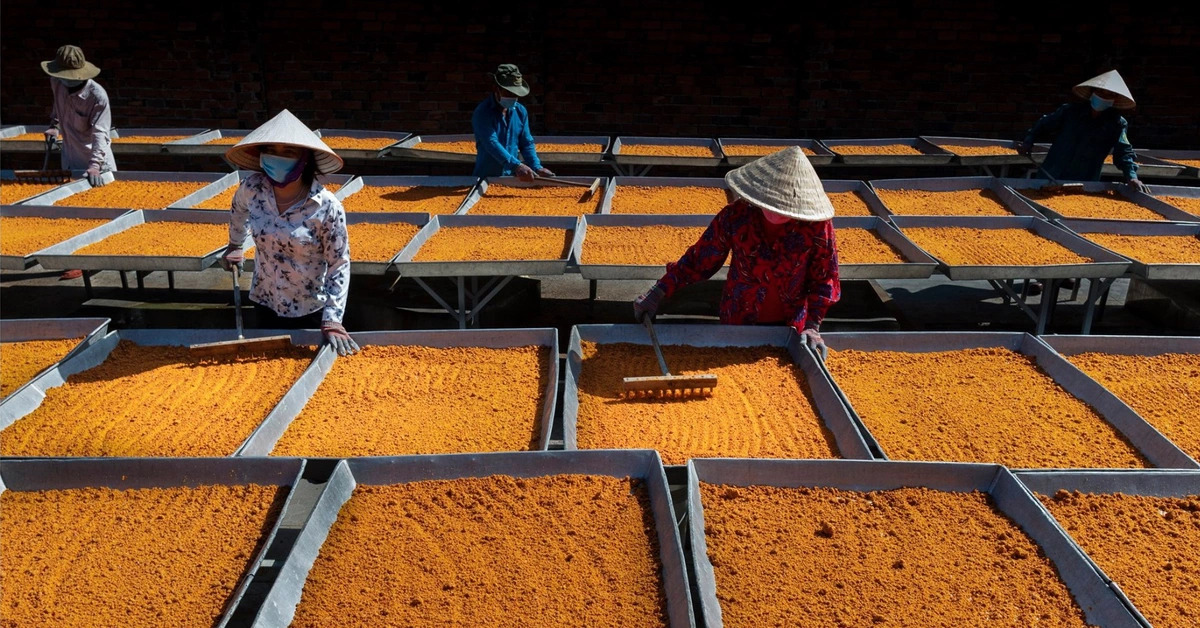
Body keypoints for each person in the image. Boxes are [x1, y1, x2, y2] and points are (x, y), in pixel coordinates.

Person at [632, 147, 840, 358]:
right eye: (770, 203)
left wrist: (813, 325)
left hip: (791, 328)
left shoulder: (817, 227)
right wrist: (658, 292)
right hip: (737, 321)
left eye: (783, 208)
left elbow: (825, 278)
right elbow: (699, 260)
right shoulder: (736, 216)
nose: (775, 213)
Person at [219, 109, 359, 356]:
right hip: (264, 299)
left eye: (288, 153)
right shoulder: (252, 189)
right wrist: (235, 244)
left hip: (309, 310)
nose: (276, 158)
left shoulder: (326, 206)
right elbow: (237, 209)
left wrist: (333, 319)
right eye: (271, 151)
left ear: (304, 160)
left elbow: (339, 263)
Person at [1020, 70, 1148, 193]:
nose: (1104, 97)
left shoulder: (1117, 123)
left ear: (1115, 100)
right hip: (1051, 173)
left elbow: (1124, 152)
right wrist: (1028, 141)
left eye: (1110, 95)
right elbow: (1043, 124)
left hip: (1085, 181)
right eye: (1101, 92)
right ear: (1092, 92)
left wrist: (1132, 177)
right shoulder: (1070, 112)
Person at [40, 45, 116, 188]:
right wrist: (55, 126)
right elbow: (59, 105)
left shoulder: (98, 97)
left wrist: (94, 166)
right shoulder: (56, 82)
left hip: (97, 165)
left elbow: (100, 133)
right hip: (70, 160)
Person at [471, 63, 555, 182]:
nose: (513, 97)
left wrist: (537, 167)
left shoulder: (520, 111)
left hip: (512, 178)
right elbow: (491, 143)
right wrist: (517, 165)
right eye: (509, 93)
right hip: (487, 178)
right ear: (496, 89)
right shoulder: (483, 113)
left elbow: (526, 143)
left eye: (516, 94)